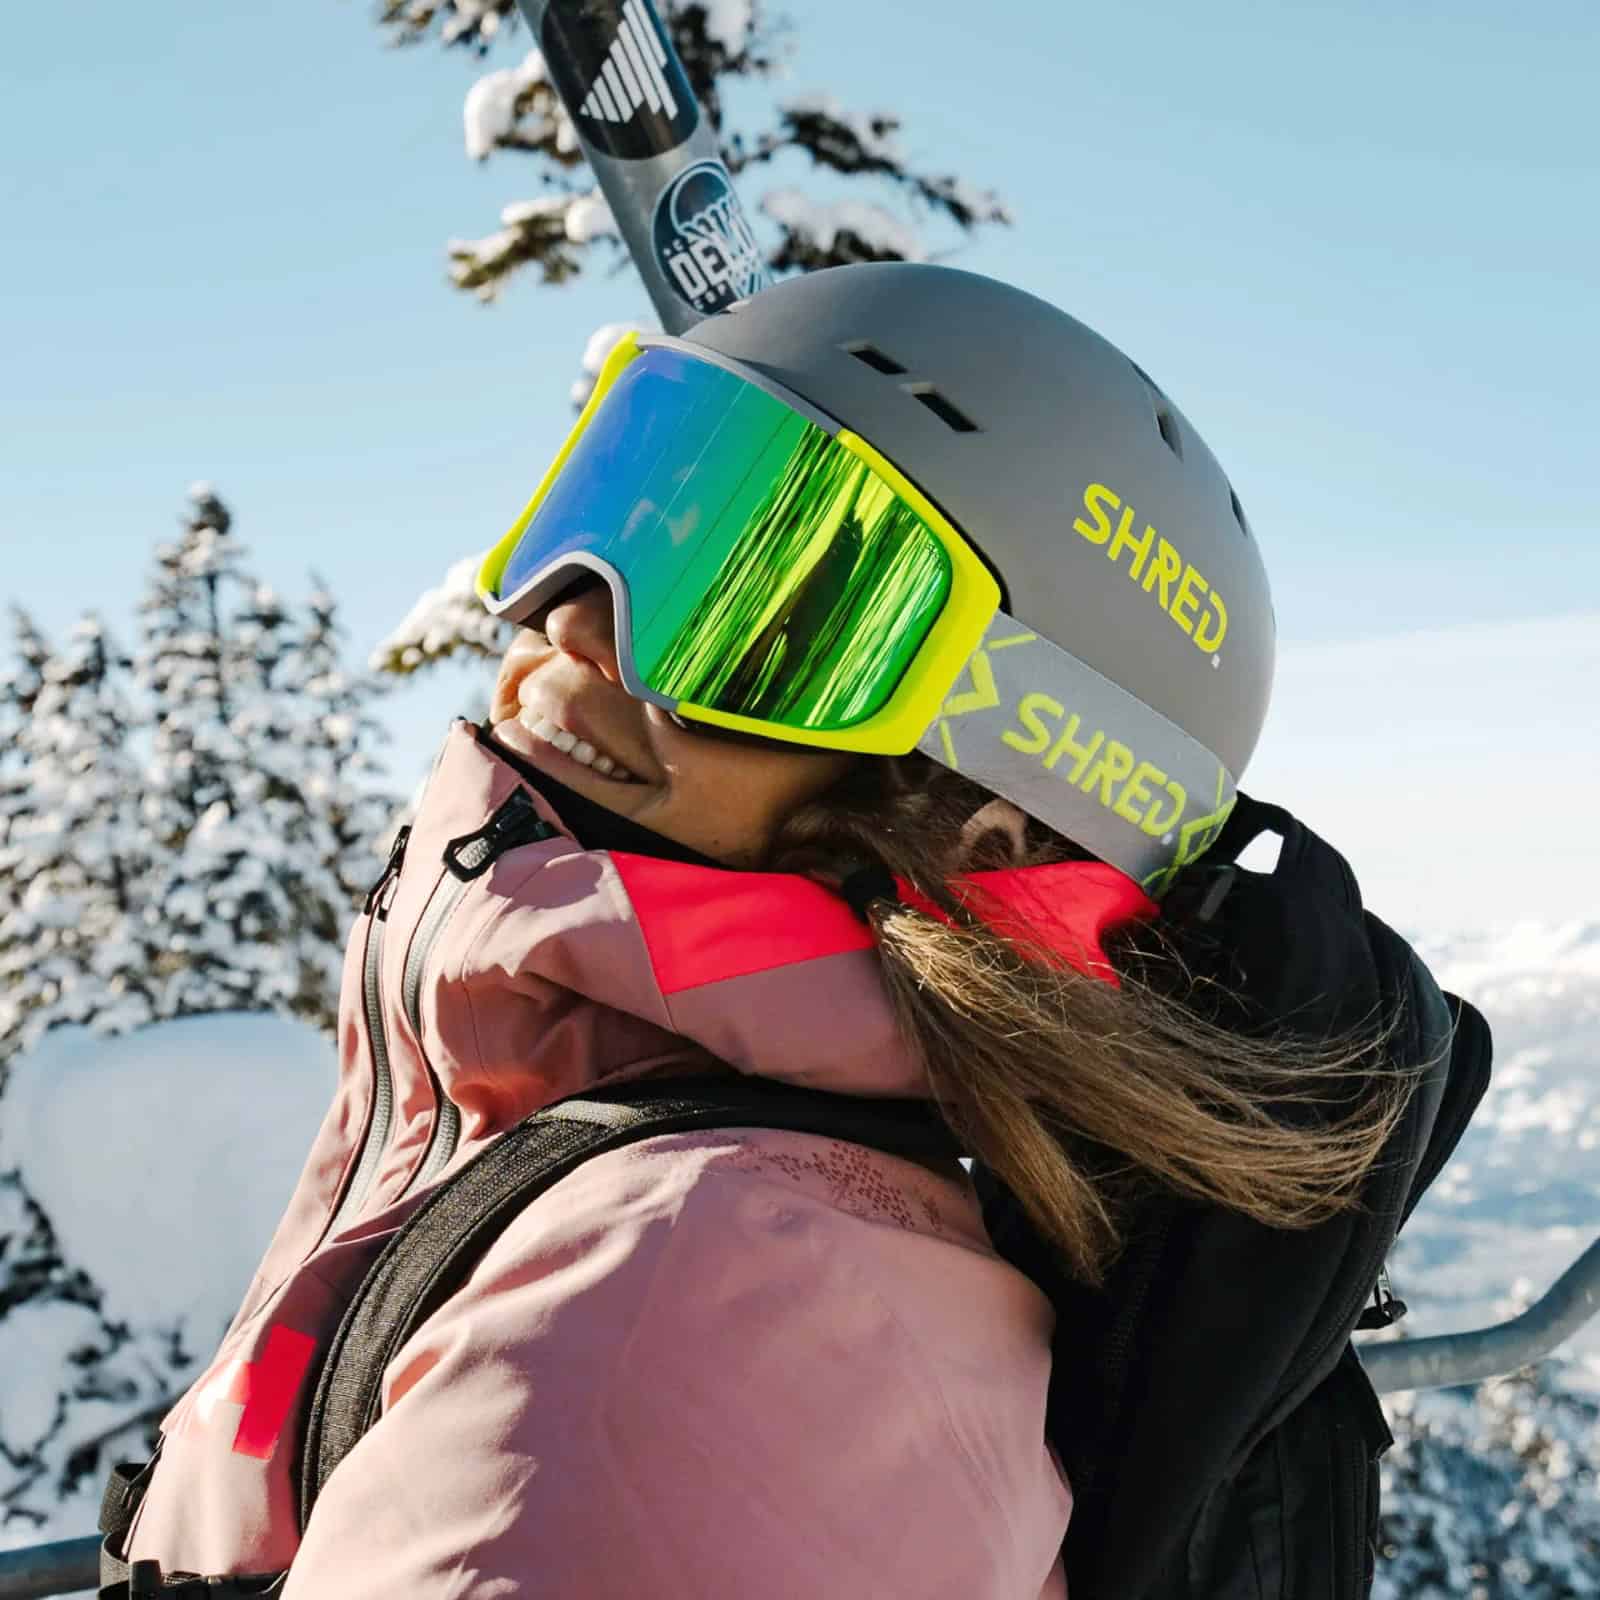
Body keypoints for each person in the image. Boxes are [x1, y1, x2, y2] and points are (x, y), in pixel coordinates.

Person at [114, 263, 1410, 1598]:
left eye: (760, 627)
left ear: (991, 824)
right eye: (621, 508)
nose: (577, 615)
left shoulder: (689, 1337)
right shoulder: (586, 1116)